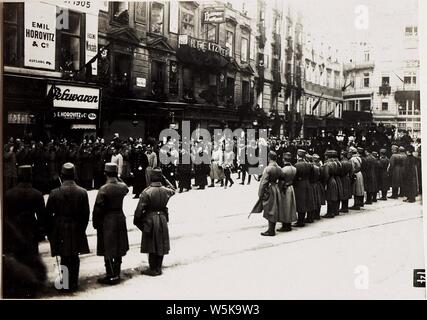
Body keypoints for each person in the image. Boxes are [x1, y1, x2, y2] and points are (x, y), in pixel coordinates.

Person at [45, 163, 90, 292]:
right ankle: (74, 283)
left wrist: (51, 232)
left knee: (64, 256)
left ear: (62, 175)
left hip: (60, 227)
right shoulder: (83, 192)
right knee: (75, 256)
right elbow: (85, 215)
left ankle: (65, 284)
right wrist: (81, 229)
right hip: (76, 226)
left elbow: (48, 215)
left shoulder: (54, 193)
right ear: (74, 175)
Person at [133, 168, 175, 276]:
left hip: (150, 218)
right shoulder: (166, 190)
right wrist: (164, 179)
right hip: (162, 218)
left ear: (150, 178)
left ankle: (152, 268)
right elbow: (173, 189)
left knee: (151, 243)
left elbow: (138, 211)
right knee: (161, 242)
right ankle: (158, 267)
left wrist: (138, 222)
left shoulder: (147, 192)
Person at [93, 163, 129, 285]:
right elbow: (126, 187)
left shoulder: (104, 189)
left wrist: (96, 222)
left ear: (105, 173)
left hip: (107, 219)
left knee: (107, 247)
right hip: (120, 217)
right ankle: (117, 272)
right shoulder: (122, 187)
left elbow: (98, 208)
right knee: (118, 245)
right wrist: (117, 178)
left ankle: (110, 274)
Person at [5, 165, 47, 255]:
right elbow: (42, 217)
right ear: (30, 177)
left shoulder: (9, 194)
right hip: (31, 231)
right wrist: (40, 233)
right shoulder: (37, 194)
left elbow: (6, 217)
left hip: (15, 231)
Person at [251, 151, 284, 236]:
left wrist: (260, 194)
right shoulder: (279, 168)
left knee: (270, 209)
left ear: (269, 158)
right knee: (274, 208)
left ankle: (271, 230)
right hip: (276, 188)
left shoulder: (268, 168)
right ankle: (271, 229)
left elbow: (263, 183)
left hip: (269, 189)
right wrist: (279, 187)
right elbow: (282, 179)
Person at [293, 149, 315, 226]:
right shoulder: (309, 164)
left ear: (298, 155)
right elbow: (312, 175)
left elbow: (295, 177)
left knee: (300, 203)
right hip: (307, 183)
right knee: (306, 201)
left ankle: (300, 221)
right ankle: (306, 218)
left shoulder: (296, 165)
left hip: (300, 185)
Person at [277, 152, 297, 232]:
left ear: (283, 160)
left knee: (285, 207)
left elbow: (281, 182)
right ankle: (289, 223)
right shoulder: (294, 168)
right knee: (291, 207)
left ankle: (285, 225)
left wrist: (279, 189)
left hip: (285, 189)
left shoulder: (283, 170)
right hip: (291, 188)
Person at [323, 150, 339, 218]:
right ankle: (333, 211)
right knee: (333, 196)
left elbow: (326, 175)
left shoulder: (327, 164)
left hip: (329, 181)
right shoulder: (335, 163)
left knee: (329, 196)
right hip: (333, 180)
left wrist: (324, 183)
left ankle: (329, 212)